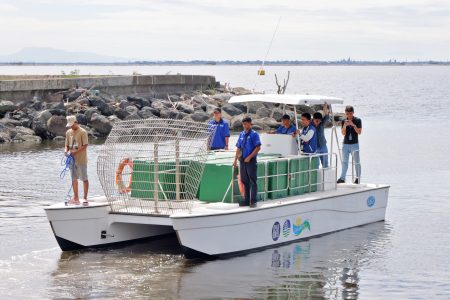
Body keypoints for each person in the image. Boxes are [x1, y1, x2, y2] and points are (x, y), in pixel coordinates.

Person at [233, 117, 261, 208]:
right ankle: (246, 199)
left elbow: (258, 147)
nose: (245, 126)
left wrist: (249, 157)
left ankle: (253, 201)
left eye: (246, 124)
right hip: (242, 160)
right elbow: (238, 147)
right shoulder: (241, 134)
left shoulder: (254, 134)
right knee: (245, 181)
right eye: (243, 124)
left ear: (250, 124)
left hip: (251, 160)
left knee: (253, 181)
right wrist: (235, 160)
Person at [65, 115, 89, 204]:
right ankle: (76, 197)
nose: (71, 126)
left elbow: (85, 145)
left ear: (76, 122)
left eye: (72, 124)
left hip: (81, 159)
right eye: (70, 125)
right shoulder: (68, 132)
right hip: (71, 159)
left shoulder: (83, 132)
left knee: (84, 179)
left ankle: (85, 198)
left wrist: (75, 152)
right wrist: (65, 151)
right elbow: (66, 145)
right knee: (73, 179)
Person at [337, 106, 362, 184]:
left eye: (350, 113)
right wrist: (345, 126)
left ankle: (358, 178)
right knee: (344, 161)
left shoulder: (358, 120)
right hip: (346, 144)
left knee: (357, 162)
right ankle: (342, 178)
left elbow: (359, 132)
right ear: (345, 113)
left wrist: (353, 125)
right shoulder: (344, 121)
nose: (349, 115)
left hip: (354, 144)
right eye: (347, 114)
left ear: (353, 112)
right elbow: (343, 133)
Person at [313, 102, 331, 168]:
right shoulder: (310, 126)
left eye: (319, 121)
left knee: (325, 164)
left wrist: (325, 106)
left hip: (323, 146)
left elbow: (326, 116)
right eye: (316, 121)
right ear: (313, 120)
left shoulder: (322, 124)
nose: (318, 122)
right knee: (316, 165)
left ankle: (326, 177)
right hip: (315, 147)